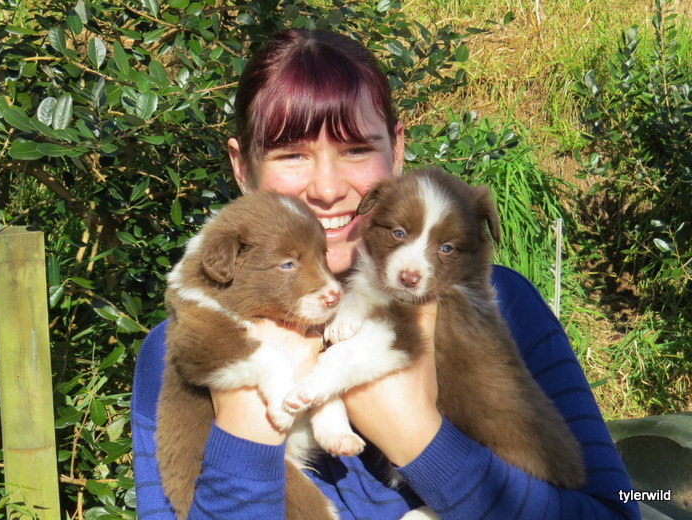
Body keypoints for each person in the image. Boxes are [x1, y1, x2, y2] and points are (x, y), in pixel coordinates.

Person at [131, 28, 639, 519]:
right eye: (292, 155)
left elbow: (616, 513)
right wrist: (247, 429)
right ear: (242, 167)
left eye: (355, 149)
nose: (327, 188)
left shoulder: (504, 302)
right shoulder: (180, 345)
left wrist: (421, 439)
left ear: (396, 151)